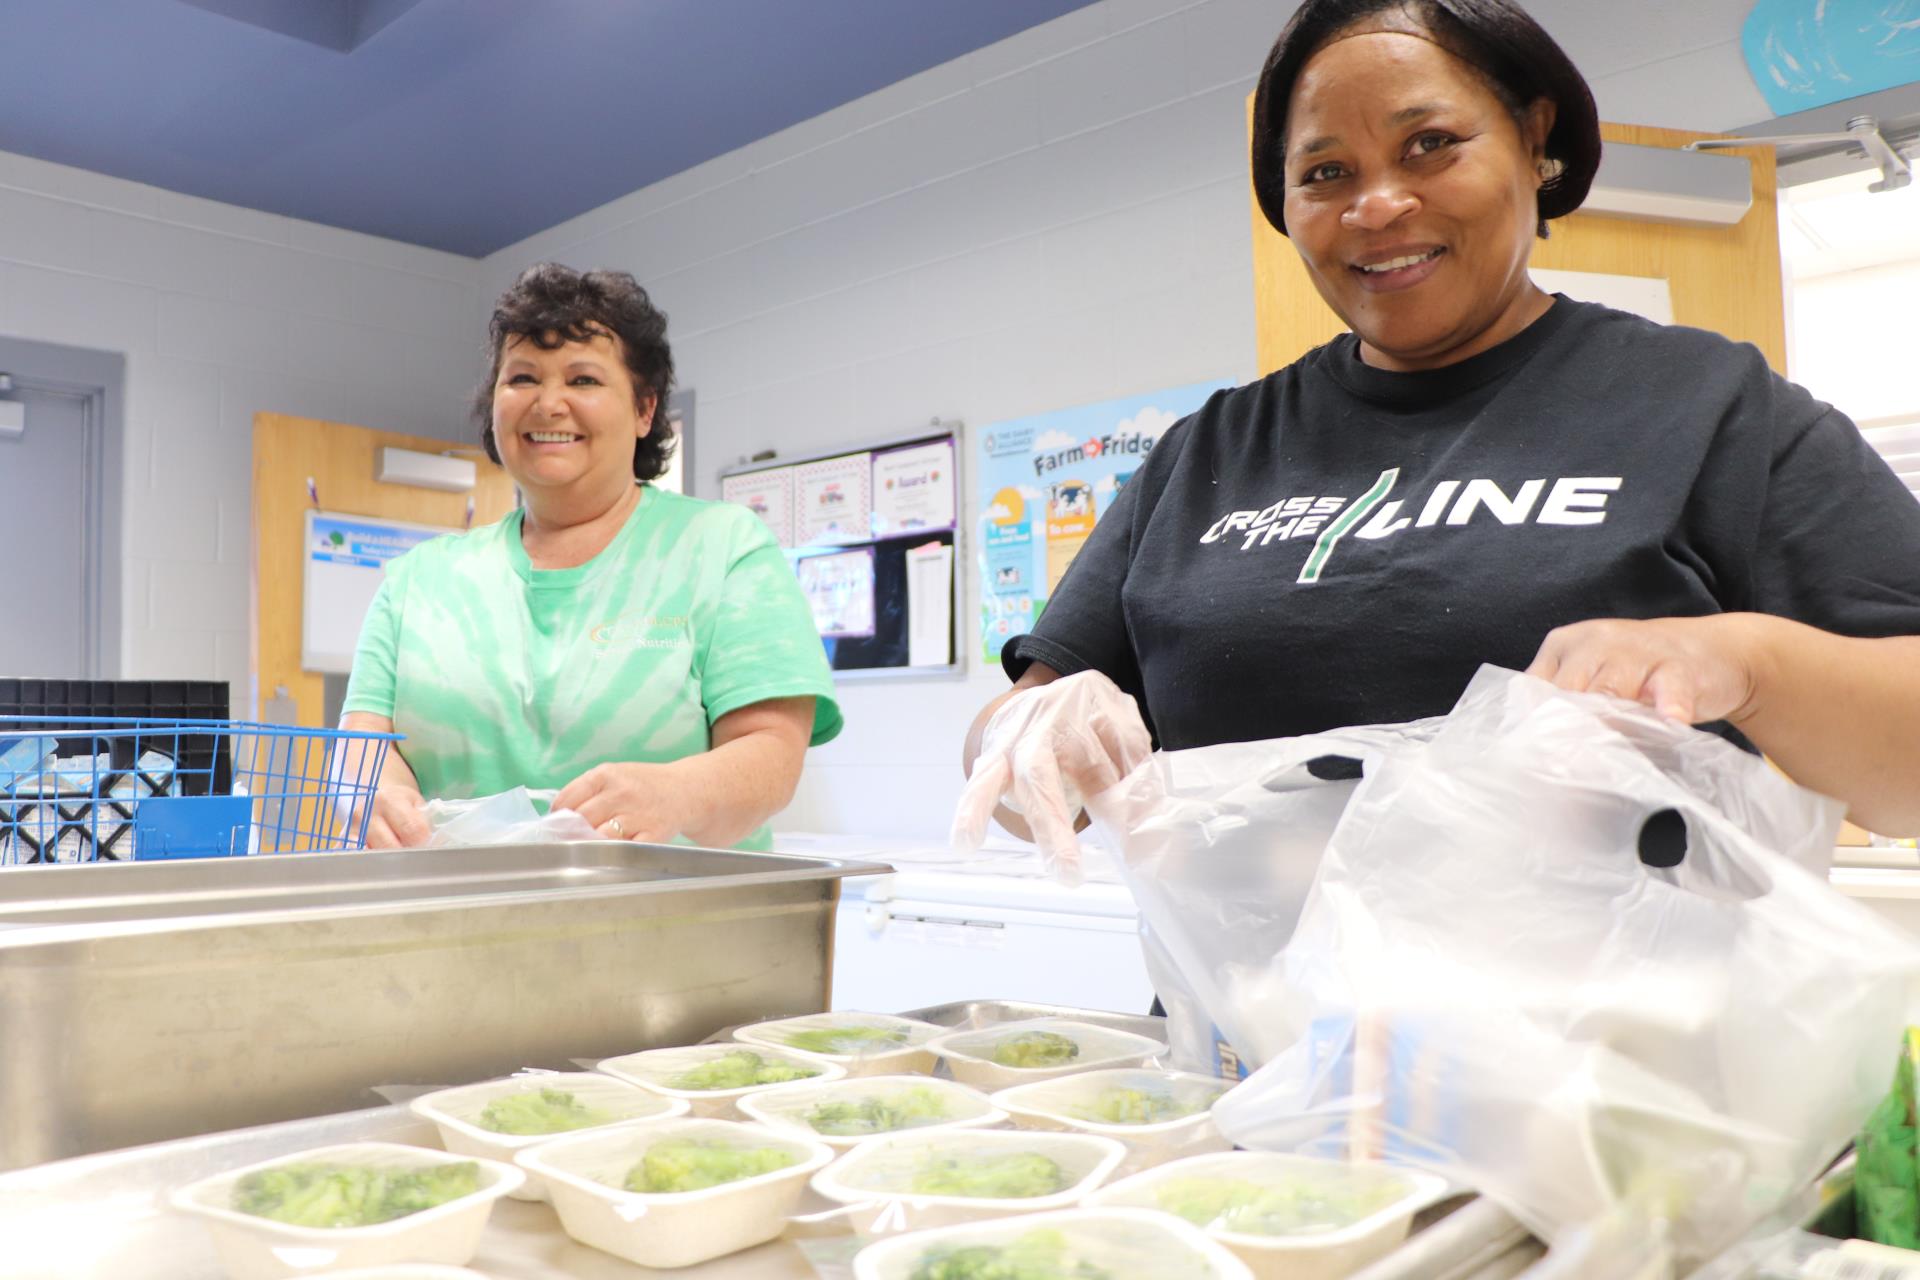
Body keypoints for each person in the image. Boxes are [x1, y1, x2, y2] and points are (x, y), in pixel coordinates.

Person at [956, 0, 1920, 865]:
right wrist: (1028, 723)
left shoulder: (1711, 407)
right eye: (1326, 172)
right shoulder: (1207, 454)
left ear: (1534, 141)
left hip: (1615, 1051)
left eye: (1431, 145)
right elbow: (1022, 776)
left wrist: (1745, 662)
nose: (1378, 205)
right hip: (1252, 1045)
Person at [341, 264, 841, 851]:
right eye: (522, 377)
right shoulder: (416, 581)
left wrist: (676, 792)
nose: (548, 404)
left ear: (644, 410)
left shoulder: (723, 548)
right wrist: (370, 797)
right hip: (456, 920)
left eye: (583, 380)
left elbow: (771, 760)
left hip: (673, 925)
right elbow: (364, 751)